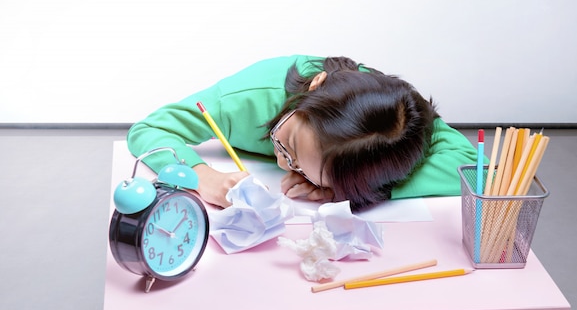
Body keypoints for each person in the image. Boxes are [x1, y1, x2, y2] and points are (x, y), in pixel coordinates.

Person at [127, 55, 479, 211]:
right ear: (315, 85)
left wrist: (360, 191)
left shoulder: (400, 124)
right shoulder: (247, 99)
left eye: (301, 168)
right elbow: (151, 129)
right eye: (288, 143)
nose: (283, 162)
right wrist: (199, 176)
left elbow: (478, 170)